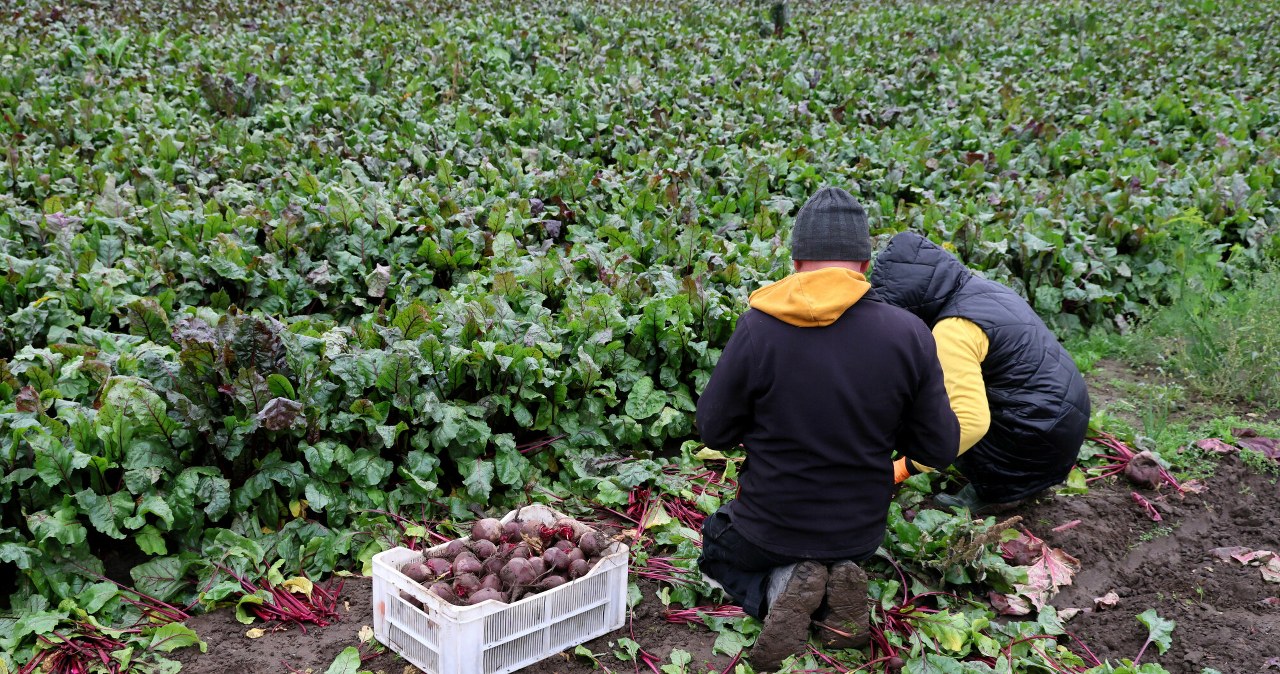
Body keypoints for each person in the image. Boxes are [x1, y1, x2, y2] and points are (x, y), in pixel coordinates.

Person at [695, 187, 960, 671]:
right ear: (864, 263)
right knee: (833, 550)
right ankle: (837, 586)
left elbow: (712, 430)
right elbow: (940, 448)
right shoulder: (909, 334)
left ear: (796, 260)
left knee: (716, 544)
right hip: (859, 533)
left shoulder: (759, 327)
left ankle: (781, 588)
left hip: (767, 530)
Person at [869, 231, 1092, 513]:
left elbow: (971, 422)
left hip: (1037, 434)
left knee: (945, 415)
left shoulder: (953, 329)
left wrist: (905, 466)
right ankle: (1025, 473)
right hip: (1064, 419)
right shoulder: (982, 290)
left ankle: (999, 491)